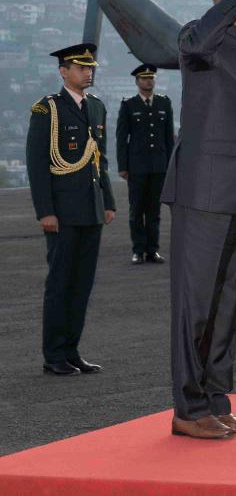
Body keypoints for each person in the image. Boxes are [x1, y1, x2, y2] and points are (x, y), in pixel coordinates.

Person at [161, 0, 236, 440]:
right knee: (197, 305)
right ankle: (188, 409)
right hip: (205, 192)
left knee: (226, 306)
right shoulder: (200, 35)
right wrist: (230, 2)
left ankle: (216, 402)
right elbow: (192, 46)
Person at [26, 43, 115, 376]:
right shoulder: (47, 109)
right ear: (64, 72)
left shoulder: (96, 107)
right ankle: (53, 355)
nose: (87, 72)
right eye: (80, 67)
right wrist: (45, 212)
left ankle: (72, 351)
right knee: (60, 283)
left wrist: (108, 201)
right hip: (62, 213)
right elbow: (37, 164)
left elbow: (99, 159)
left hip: (91, 210)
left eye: (90, 67)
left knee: (82, 285)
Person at [117, 64, 175, 264]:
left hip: (158, 166)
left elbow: (168, 138)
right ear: (137, 82)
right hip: (137, 166)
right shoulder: (129, 105)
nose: (148, 81)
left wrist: (170, 165)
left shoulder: (164, 103)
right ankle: (138, 250)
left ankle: (153, 250)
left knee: (154, 211)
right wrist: (123, 166)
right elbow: (121, 138)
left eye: (151, 78)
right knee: (136, 210)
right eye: (144, 78)